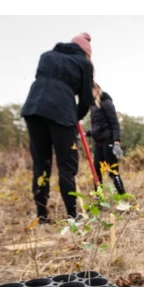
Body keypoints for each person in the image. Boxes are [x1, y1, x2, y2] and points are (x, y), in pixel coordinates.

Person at [21, 32, 94, 224]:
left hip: (34, 109)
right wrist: (74, 117)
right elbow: (86, 99)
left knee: (41, 164)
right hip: (62, 113)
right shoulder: (85, 64)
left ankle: (42, 216)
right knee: (67, 166)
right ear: (86, 52)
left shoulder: (46, 56)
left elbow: (44, 81)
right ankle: (72, 214)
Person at [85, 84, 125, 194]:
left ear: (96, 90)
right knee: (96, 171)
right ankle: (99, 200)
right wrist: (86, 133)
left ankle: (123, 198)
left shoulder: (106, 102)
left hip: (109, 140)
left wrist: (116, 142)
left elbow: (115, 123)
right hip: (98, 143)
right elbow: (97, 127)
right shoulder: (93, 106)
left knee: (112, 171)